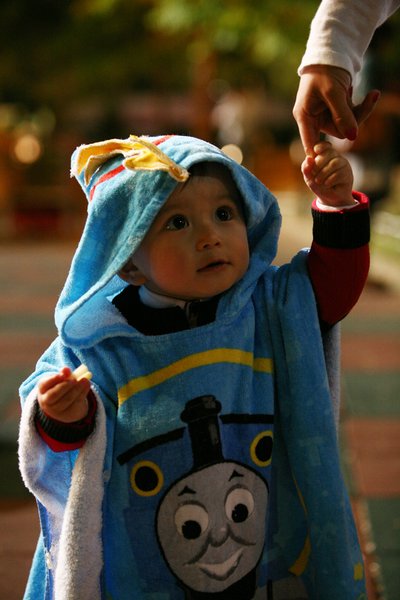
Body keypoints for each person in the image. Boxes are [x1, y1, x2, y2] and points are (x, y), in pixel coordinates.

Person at [19, 134, 370, 599]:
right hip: (146, 562)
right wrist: (63, 414)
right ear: (128, 261)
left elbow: (332, 288)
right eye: (178, 222)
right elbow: (62, 441)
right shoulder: (101, 344)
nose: (210, 237)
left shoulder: (270, 306)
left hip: (263, 541)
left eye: (224, 214)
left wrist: (337, 205)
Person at [293, 0, 400, 155]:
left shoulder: (355, 62)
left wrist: (325, 52)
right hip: (369, 143)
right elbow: (363, 96)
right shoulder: (370, 62)